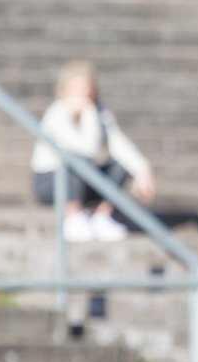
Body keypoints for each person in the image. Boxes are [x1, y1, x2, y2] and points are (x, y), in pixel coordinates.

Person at [30, 59, 156, 242]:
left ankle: (101, 215)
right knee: (77, 159)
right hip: (52, 181)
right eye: (76, 92)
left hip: (85, 177)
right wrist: (88, 113)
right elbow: (85, 149)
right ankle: (73, 215)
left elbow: (118, 143)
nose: (82, 98)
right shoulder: (56, 113)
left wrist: (143, 170)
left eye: (86, 93)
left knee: (120, 163)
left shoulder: (100, 112)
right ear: (65, 90)